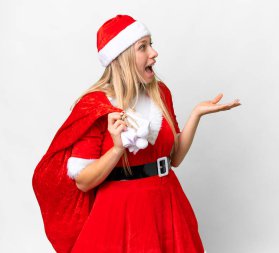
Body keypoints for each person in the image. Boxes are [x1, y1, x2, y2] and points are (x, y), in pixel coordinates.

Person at [32, 14, 241, 253]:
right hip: (119, 215)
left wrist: (196, 114)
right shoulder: (95, 105)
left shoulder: (161, 94)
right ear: (122, 58)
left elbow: (175, 159)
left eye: (151, 44)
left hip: (167, 204)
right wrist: (117, 149)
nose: (154, 53)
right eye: (143, 47)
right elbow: (83, 181)